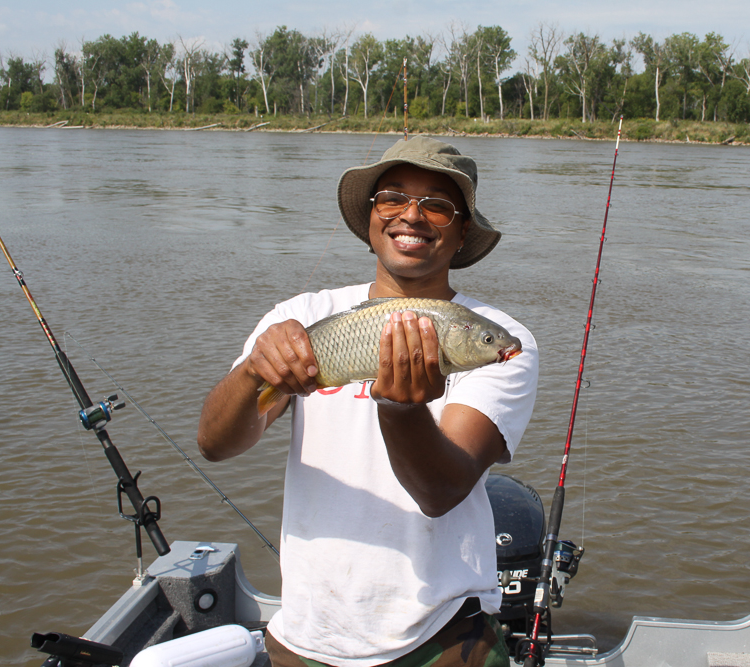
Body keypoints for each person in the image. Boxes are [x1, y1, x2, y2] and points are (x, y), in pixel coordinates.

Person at [197, 136, 539, 667]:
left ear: (462, 232)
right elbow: (215, 445)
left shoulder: (500, 340)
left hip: (440, 635)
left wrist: (400, 408)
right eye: (393, 198)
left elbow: (442, 489)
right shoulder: (301, 315)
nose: (413, 216)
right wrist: (251, 373)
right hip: (305, 636)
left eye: (438, 206)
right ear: (372, 215)